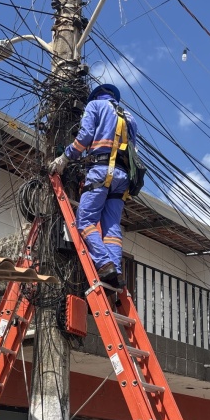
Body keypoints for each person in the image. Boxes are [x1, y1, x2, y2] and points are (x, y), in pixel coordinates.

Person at [48, 83, 139, 289]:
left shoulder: (95, 106)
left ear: (95, 97)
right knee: (112, 227)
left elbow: (85, 136)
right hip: (123, 177)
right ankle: (115, 268)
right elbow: (133, 150)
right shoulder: (130, 118)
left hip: (100, 170)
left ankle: (104, 263)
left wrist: (65, 157)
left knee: (85, 221)